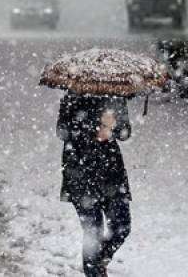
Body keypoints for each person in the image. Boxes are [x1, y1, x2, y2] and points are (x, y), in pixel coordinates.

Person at [57, 91, 132, 277]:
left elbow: (125, 132)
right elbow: (62, 131)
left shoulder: (116, 96)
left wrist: (113, 128)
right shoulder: (73, 96)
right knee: (93, 232)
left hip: (111, 175)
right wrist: (95, 127)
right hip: (81, 175)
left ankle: (99, 262)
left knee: (122, 226)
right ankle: (95, 272)